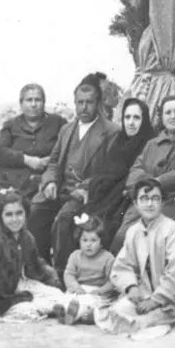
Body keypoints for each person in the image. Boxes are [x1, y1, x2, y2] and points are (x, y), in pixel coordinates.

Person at [29, 75, 120, 275]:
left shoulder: (111, 132)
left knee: (64, 219)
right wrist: (50, 181)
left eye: (89, 102)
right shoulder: (66, 129)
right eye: (80, 102)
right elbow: (53, 162)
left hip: (86, 193)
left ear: (98, 103)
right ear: (75, 102)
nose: (84, 108)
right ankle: (41, 268)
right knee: (36, 209)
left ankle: (62, 274)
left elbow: (109, 171)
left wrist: (86, 187)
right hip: (61, 189)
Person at [110, 93, 175, 253]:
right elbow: (135, 171)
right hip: (144, 201)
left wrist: (159, 182)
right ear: (161, 117)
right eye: (168, 113)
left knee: (152, 242)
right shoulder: (152, 144)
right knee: (122, 238)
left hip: (174, 203)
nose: (172, 116)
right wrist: (148, 184)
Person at [94, 178, 175, 338]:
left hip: (168, 300)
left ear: (163, 202)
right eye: (144, 199)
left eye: (155, 198)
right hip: (142, 295)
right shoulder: (133, 231)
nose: (149, 204)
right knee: (117, 311)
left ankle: (141, 323)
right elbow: (123, 266)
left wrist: (156, 300)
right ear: (136, 204)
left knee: (141, 322)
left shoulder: (172, 229)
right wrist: (131, 287)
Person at [0, 83, 67, 240]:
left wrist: (49, 161)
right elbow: (0, 151)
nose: (33, 104)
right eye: (29, 100)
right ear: (21, 103)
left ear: (44, 102)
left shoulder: (58, 123)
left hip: (39, 179)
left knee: (33, 212)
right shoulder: (11, 125)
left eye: (38, 100)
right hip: (8, 179)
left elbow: (66, 148)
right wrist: (27, 160)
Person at [0, 189, 66, 326]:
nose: (15, 219)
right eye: (9, 214)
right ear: (0, 216)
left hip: (23, 284)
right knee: (27, 312)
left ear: (26, 213)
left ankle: (57, 308)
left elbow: (37, 264)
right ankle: (45, 308)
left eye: (19, 213)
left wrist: (53, 280)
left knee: (59, 296)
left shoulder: (27, 237)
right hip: (2, 293)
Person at [78, 97, 156, 250]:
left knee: (109, 228)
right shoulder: (117, 140)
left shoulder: (150, 144)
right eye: (127, 117)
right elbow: (102, 171)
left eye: (136, 118)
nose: (131, 122)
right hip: (105, 195)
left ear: (144, 120)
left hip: (127, 198)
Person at [54, 214, 117, 325]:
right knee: (68, 298)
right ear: (79, 241)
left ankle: (73, 315)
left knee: (87, 302)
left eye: (93, 240)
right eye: (84, 240)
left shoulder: (108, 258)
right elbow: (69, 274)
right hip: (79, 288)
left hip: (96, 292)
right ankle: (64, 310)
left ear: (101, 242)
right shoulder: (75, 255)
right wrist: (75, 287)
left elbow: (113, 281)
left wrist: (101, 291)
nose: (88, 244)